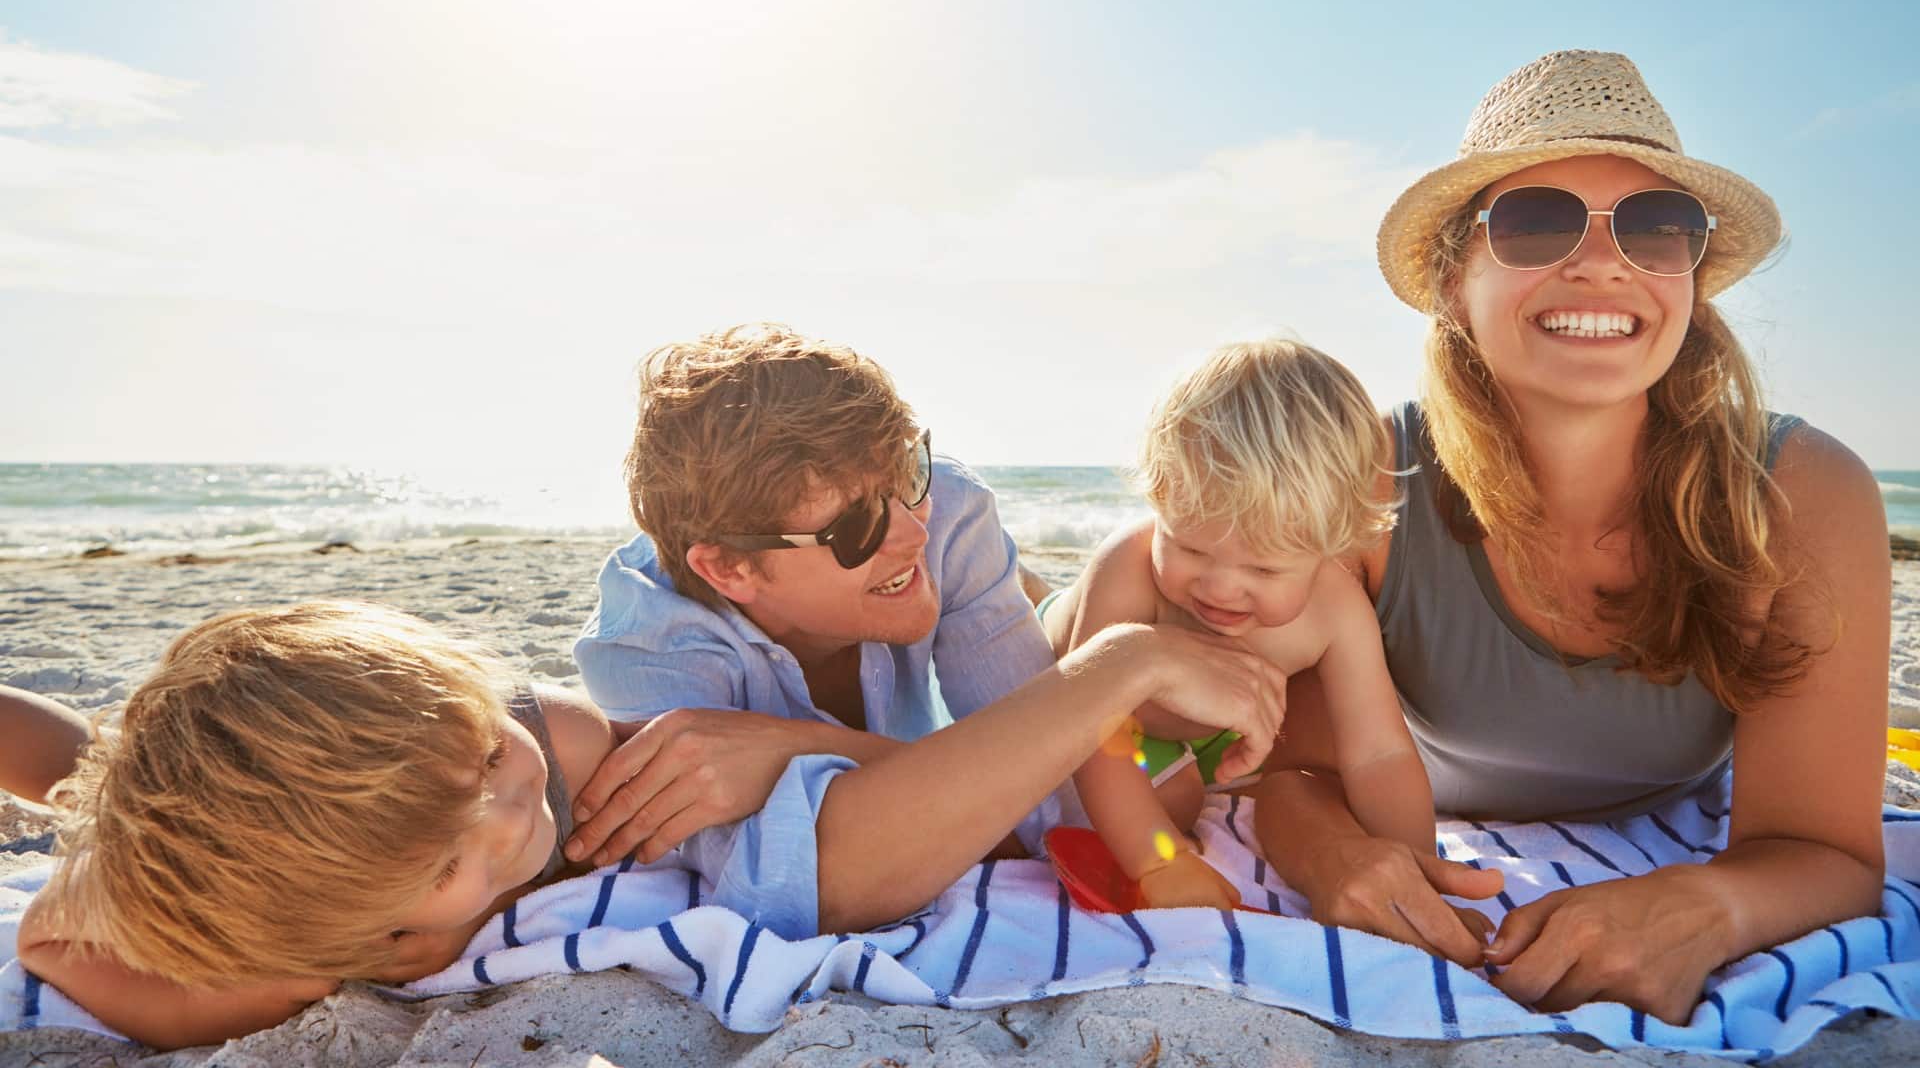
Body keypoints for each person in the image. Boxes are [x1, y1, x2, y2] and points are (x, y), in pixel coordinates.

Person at [1251, 50, 1890, 1024]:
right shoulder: (1367, 477)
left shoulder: (1804, 492)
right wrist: (1338, 856)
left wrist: (1701, 903)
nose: (1602, 261)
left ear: (1689, 279)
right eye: (1537, 221)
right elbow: (1295, 774)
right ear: (1452, 278)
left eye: (1656, 227)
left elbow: (1830, 853)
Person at [567, 323, 1288, 939]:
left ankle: (1047, 604)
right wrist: (1110, 676)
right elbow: (813, 888)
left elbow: (1073, 802)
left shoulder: (949, 511)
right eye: (856, 527)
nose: (913, 531)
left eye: (906, 473)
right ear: (728, 569)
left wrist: (1127, 658)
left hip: (996, 675)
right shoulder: (648, 649)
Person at [9, 601, 617, 1049]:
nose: (512, 819)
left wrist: (492, 902)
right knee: (89, 781)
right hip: (206, 840)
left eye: (489, 757)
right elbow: (45, 937)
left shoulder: (561, 742)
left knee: (99, 753)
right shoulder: (295, 924)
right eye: (446, 865)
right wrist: (261, 995)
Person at [1042, 338, 1438, 913]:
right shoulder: (1129, 567)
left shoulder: (1336, 608)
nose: (1221, 588)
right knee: (1171, 803)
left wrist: (1417, 868)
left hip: (1199, 732)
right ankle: (1035, 590)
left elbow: (1379, 754)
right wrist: (1161, 860)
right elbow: (1094, 730)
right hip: (1068, 691)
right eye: (1190, 549)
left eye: (1264, 567)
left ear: (1336, 543)